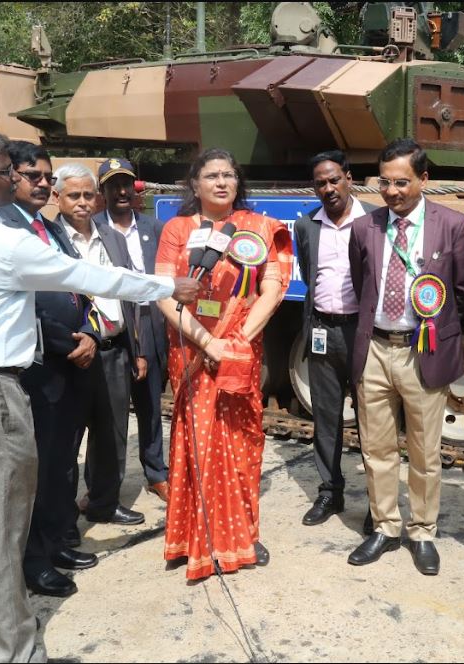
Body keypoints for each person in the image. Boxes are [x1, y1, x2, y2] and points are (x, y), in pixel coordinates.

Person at [0, 128, 200, 662]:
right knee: (0, 528)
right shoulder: (1, 240)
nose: (15, 179)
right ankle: (14, 651)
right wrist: (165, 286)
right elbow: (87, 276)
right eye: (5, 172)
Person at [156, 148, 293, 580]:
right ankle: (194, 538)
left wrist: (236, 340)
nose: (221, 182)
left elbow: (272, 287)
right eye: (212, 175)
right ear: (194, 184)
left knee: (240, 446)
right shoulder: (177, 229)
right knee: (197, 442)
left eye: (229, 175)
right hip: (193, 351)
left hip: (239, 352)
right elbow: (164, 293)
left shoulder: (259, 226)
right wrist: (208, 343)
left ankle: (241, 536)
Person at [347, 138, 464, 576]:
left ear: (424, 179)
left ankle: (422, 532)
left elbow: (463, 290)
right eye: (384, 182)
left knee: (424, 452)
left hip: (422, 351)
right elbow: (362, 283)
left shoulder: (452, 225)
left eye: (401, 182)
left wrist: (435, 325)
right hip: (375, 350)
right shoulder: (364, 227)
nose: (391, 191)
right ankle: (385, 526)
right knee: (376, 448)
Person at [0, 142, 99, 598]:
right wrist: (69, 341)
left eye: (46, 176)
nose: (41, 183)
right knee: (37, 468)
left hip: (72, 361)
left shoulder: (50, 228)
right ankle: (33, 559)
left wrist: (90, 332)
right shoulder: (5, 228)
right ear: (10, 177)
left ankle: (56, 542)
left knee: (61, 463)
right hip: (40, 366)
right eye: (32, 175)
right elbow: (25, 303)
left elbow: (79, 286)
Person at [54, 163, 146, 528]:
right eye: (73, 195)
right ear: (57, 198)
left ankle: (104, 503)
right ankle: (62, 520)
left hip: (114, 349)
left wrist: (137, 348)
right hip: (73, 354)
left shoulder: (111, 237)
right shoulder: (49, 240)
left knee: (111, 435)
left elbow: (129, 293)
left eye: (88, 195)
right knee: (66, 440)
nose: (82, 202)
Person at [293, 150, 373, 527]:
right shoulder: (306, 225)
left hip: (363, 333)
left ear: (349, 178)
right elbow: (309, 274)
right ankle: (330, 492)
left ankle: (378, 503)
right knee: (326, 416)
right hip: (323, 329)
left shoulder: (373, 220)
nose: (328, 188)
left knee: (373, 419)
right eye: (320, 183)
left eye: (334, 180)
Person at [93, 158, 171, 503]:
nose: (121, 191)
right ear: (103, 191)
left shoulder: (154, 227)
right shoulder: (94, 228)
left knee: (151, 404)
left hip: (150, 321)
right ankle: (104, 485)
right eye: (113, 186)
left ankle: (156, 473)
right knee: (107, 414)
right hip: (114, 325)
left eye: (126, 184)